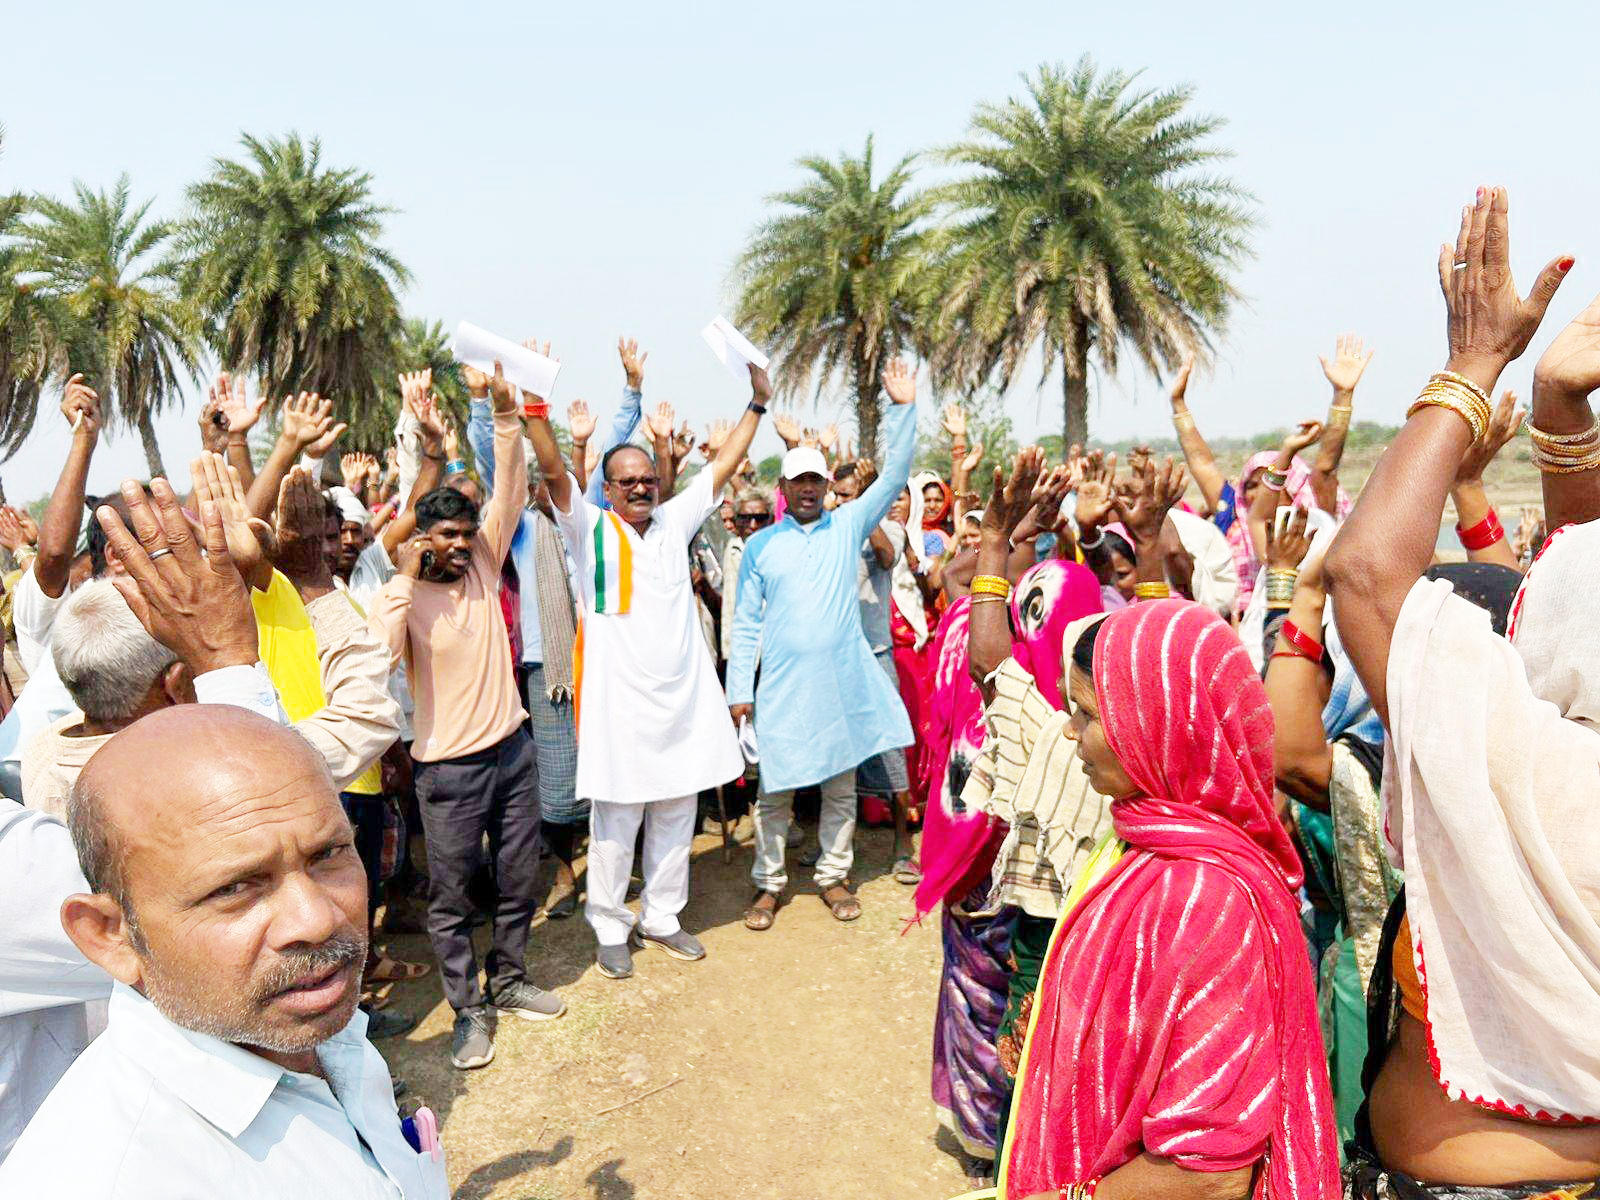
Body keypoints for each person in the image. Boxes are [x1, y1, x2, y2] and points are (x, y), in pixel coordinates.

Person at [1326, 186, 1600, 1196]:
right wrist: (1563, 420)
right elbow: (1584, 592)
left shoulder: (1536, 771)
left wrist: (1474, 364)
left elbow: (1362, 576)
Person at [0, 706, 448, 1199]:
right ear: (110, 935)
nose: (317, 920)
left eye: (328, 854)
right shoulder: (108, 1179)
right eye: (236, 887)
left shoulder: (313, 1027)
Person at [525, 359, 765, 979]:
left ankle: (662, 916)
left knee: (676, 814)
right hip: (619, 712)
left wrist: (757, 403)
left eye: (646, 480)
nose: (638, 488)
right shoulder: (589, 530)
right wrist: (534, 412)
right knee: (615, 825)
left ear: (658, 484)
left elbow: (726, 464)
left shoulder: (674, 524)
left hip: (682, 705)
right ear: (606, 489)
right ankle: (609, 925)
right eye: (625, 481)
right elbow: (553, 471)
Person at [369, 362, 565, 1071]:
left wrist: (506, 417)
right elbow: (380, 660)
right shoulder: (404, 594)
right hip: (446, 773)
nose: (457, 544)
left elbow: (508, 482)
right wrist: (402, 576)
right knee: (452, 900)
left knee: (517, 880)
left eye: (462, 532)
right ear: (421, 541)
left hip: (513, 752)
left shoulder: (485, 559)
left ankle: (509, 980)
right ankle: (468, 1009)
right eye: (443, 536)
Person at [727, 358, 917, 929]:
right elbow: (746, 625)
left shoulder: (850, 524)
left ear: (827, 483)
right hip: (781, 687)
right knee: (775, 792)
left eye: (817, 480)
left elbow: (895, 474)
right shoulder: (762, 548)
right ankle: (769, 883)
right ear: (784, 488)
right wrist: (740, 689)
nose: (809, 490)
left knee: (839, 786)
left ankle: (834, 876)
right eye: (798, 481)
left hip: (840, 683)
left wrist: (903, 408)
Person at [1168, 340, 1364, 614]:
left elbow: (1327, 464)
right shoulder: (1236, 516)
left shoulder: (1314, 508)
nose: (1254, 493)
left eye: (1269, 481)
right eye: (1249, 485)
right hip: (1247, 623)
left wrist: (1343, 396)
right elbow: (1202, 463)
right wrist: (1178, 404)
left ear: (1291, 485)